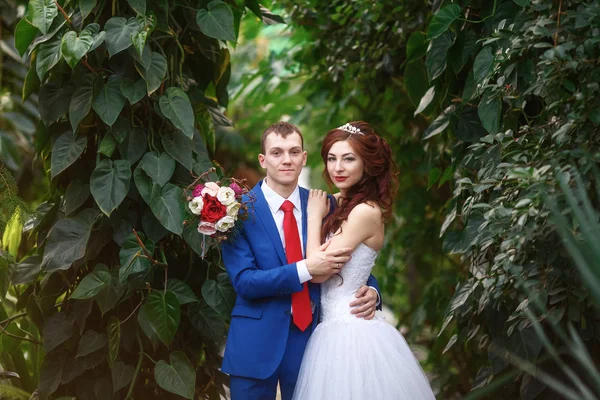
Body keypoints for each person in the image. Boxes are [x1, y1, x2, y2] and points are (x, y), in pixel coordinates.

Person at [220, 122, 382, 400]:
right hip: (254, 344)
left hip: (311, 345)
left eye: (294, 152)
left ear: (304, 158)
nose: (286, 160)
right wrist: (306, 269)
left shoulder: (326, 205)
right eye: (277, 152)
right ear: (263, 159)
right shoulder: (237, 211)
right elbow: (244, 282)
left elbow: (354, 259)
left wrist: (373, 290)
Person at [292, 121, 436, 400]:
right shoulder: (336, 203)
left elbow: (318, 272)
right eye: (332, 159)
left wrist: (312, 216)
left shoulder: (365, 212)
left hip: (351, 333)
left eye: (349, 159)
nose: (338, 168)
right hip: (329, 330)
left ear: (367, 164)